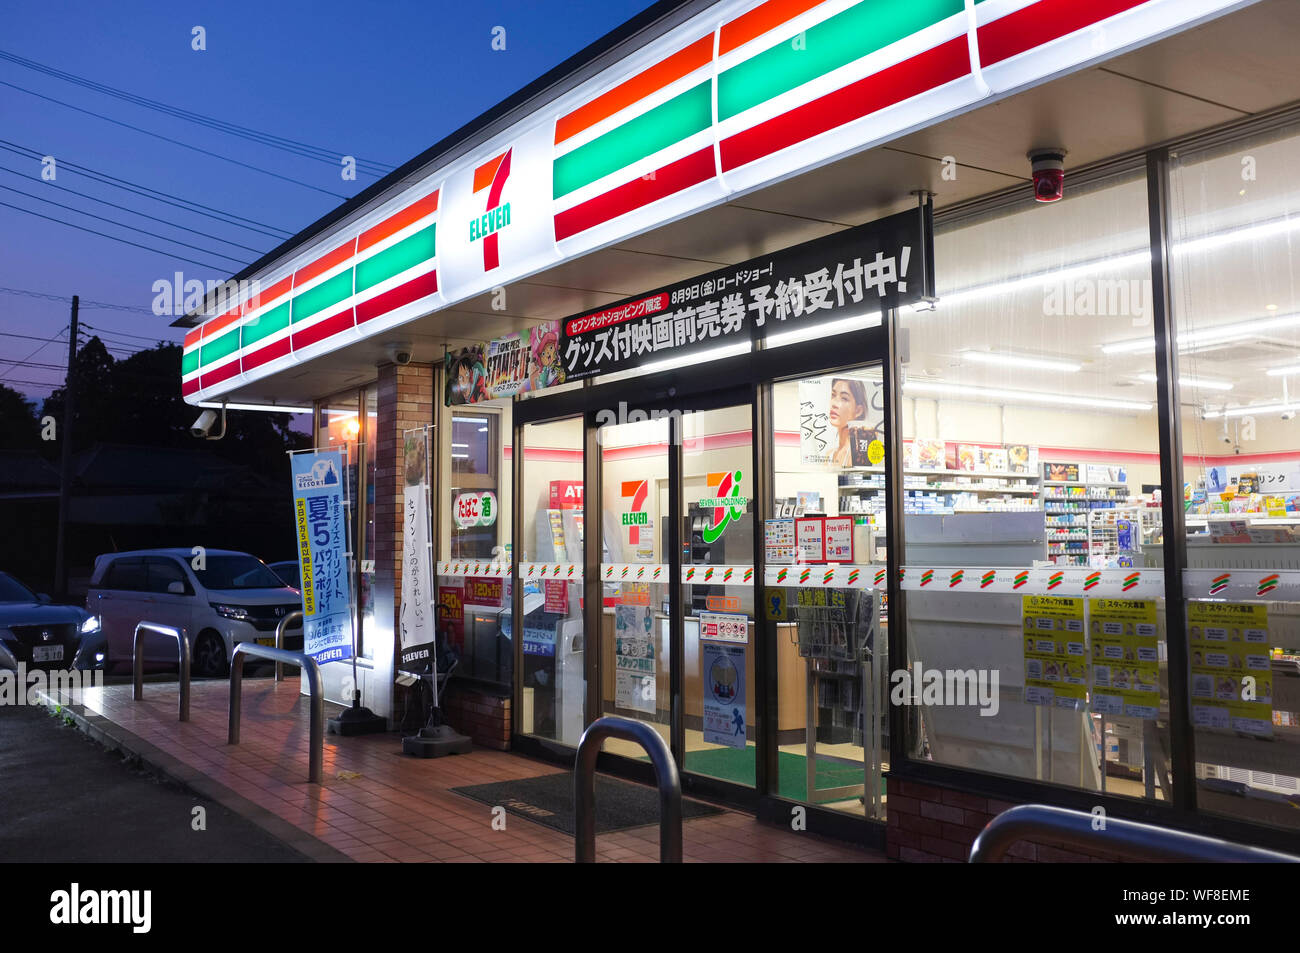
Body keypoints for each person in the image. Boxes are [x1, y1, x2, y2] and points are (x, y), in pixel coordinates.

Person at [828, 377, 871, 468]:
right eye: (833, 395)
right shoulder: (829, 455)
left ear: (858, 411)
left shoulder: (857, 455)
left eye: (844, 398)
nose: (834, 404)